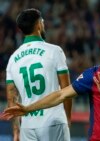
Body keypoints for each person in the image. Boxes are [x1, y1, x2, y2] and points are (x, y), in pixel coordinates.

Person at [5, 8, 72, 141]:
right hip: (53, 121)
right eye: (42, 22)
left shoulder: (13, 59)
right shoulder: (54, 51)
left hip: (27, 126)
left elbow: (12, 98)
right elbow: (66, 90)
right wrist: (68, 118)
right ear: (38, 25)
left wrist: (16, 131)